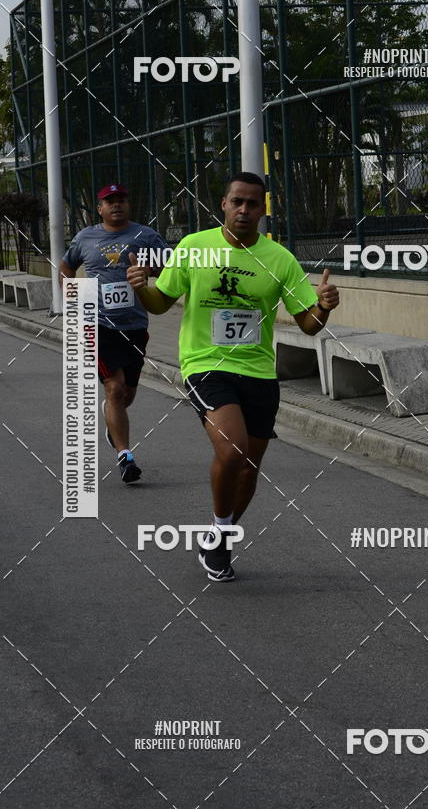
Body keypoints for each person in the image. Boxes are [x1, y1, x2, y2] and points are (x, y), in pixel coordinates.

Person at [127, 171, 340, 581]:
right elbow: (159, 303)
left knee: (248, 470)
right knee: (233, 450)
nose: (244, 209)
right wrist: (140, 287)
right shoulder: (194, 247)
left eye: (252, 203)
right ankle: (223, 534)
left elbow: (309, 325)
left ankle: (217, 535)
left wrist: (325, 306)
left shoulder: (280, 259)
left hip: (258, 371)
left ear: (263, 209)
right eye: (236, 201)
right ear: (223, 204)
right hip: (205, 364)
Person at [59, 183, 170, 483]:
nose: (116, 205)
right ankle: (125, 456)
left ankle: (112, 419)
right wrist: (72, 300)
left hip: (135, 325)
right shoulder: (85, 237)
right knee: (114, 388)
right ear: (100, 208)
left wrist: (149, 270)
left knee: (126, 394)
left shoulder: (145, 235)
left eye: (121, 199)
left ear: (128, 205)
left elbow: (171, 268)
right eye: (110, 201)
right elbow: (66, 268)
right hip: (98, 325)